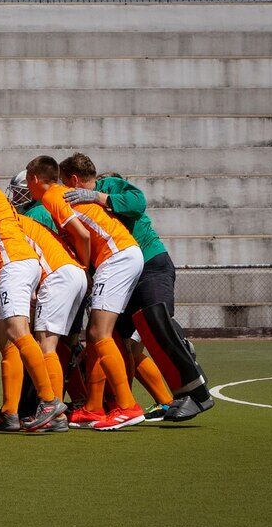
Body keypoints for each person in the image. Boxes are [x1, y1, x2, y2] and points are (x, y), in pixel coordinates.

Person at [61, 155, 212, 422]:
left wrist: (97, 197)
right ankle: (116, 404)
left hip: (151, 262)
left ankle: (195, 391)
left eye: (65, 182)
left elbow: (138, 202)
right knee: (110, 337)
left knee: (154, 317)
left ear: (73, 179)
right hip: (123, 273)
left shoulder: (110, 184)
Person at [27, 154, 146, 431]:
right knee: (97, 336)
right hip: (122, 253)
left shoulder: (52, 196)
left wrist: (82, 267)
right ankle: (94, 407)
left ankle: (127, 406)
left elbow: (80, 234)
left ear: (34, 180)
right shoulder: (62, 193)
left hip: (115, 256)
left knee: (98, 334)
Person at [0, 152, 66, 432]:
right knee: (10, 334)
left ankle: (49, 401)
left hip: (13, 266)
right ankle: (12, 413)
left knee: (18, 333)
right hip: (21, 262)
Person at [18, 213, 86, 419]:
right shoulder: (28, 222)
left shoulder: (13, 224)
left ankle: (53, 411)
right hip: (74, 272)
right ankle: (66, 406)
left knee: (46, 345)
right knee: (61, 344)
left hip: (57, 275)